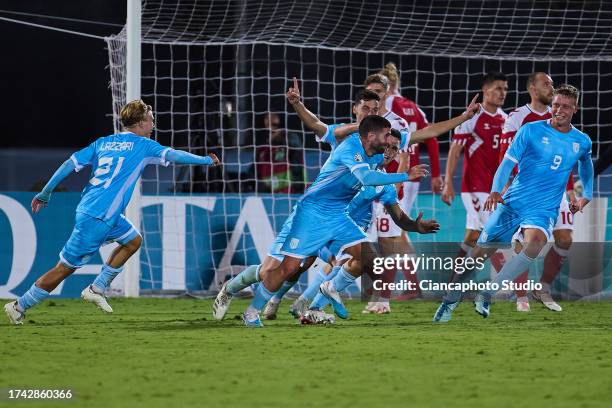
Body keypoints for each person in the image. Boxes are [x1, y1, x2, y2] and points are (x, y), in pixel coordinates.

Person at [4, 100, 220, 325]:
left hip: (99, 211)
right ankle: (19, 306)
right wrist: (205, 160)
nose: (154, 124)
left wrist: (46, 192)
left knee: (133, 240)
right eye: (151, 119)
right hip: (97, 217)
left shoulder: (103, 142)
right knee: (64, 269)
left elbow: (70, 164)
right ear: (139, 122)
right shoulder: (144, 145)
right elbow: (175, 155)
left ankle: (98, 287)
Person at [433, 84, 593, 323]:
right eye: (556, 104)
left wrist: (586, 194)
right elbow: (507, 163)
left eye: (565, 106)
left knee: (535, 243)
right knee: (480, 252)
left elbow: (586, 166)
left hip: (543, 208)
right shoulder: (530, 130)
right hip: (514, 202)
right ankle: (450, 300)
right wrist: (496, 190)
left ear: (575, 109)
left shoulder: (582, 141)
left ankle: (487, 293)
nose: (559, 109)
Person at [500, 72, 575, 312]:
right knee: (525, 242)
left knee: (565, 239)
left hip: (558, 188)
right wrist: (506, 186)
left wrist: (571, 190)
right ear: (532, 88)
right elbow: (508, 157)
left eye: (553, 85)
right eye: (546, 84)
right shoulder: (516, 118)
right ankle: (521, 296)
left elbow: (567, 157)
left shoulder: (560, 119)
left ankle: (542, 287)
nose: (551, 88)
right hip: (529, 189)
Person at [441, 72, 508, 270]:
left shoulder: (506, 120)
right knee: (491, 233)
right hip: (474, 187)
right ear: (485, 91)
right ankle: (509, 286)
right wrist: (447, 183)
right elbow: (455, 150)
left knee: (471, 236)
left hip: (494, 189)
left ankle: (454, 280)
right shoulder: (472, 117)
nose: (502, 93)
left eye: (505, 89)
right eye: (498, 88)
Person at [255, 113, 306, 194]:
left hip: (290, 190)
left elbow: (297, 163)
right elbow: (256, 167)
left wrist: (298, 187)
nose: (270, 120)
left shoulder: (290, 137)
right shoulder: (262, 143)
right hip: (267, 191)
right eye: (267, 117)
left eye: (273, 116)